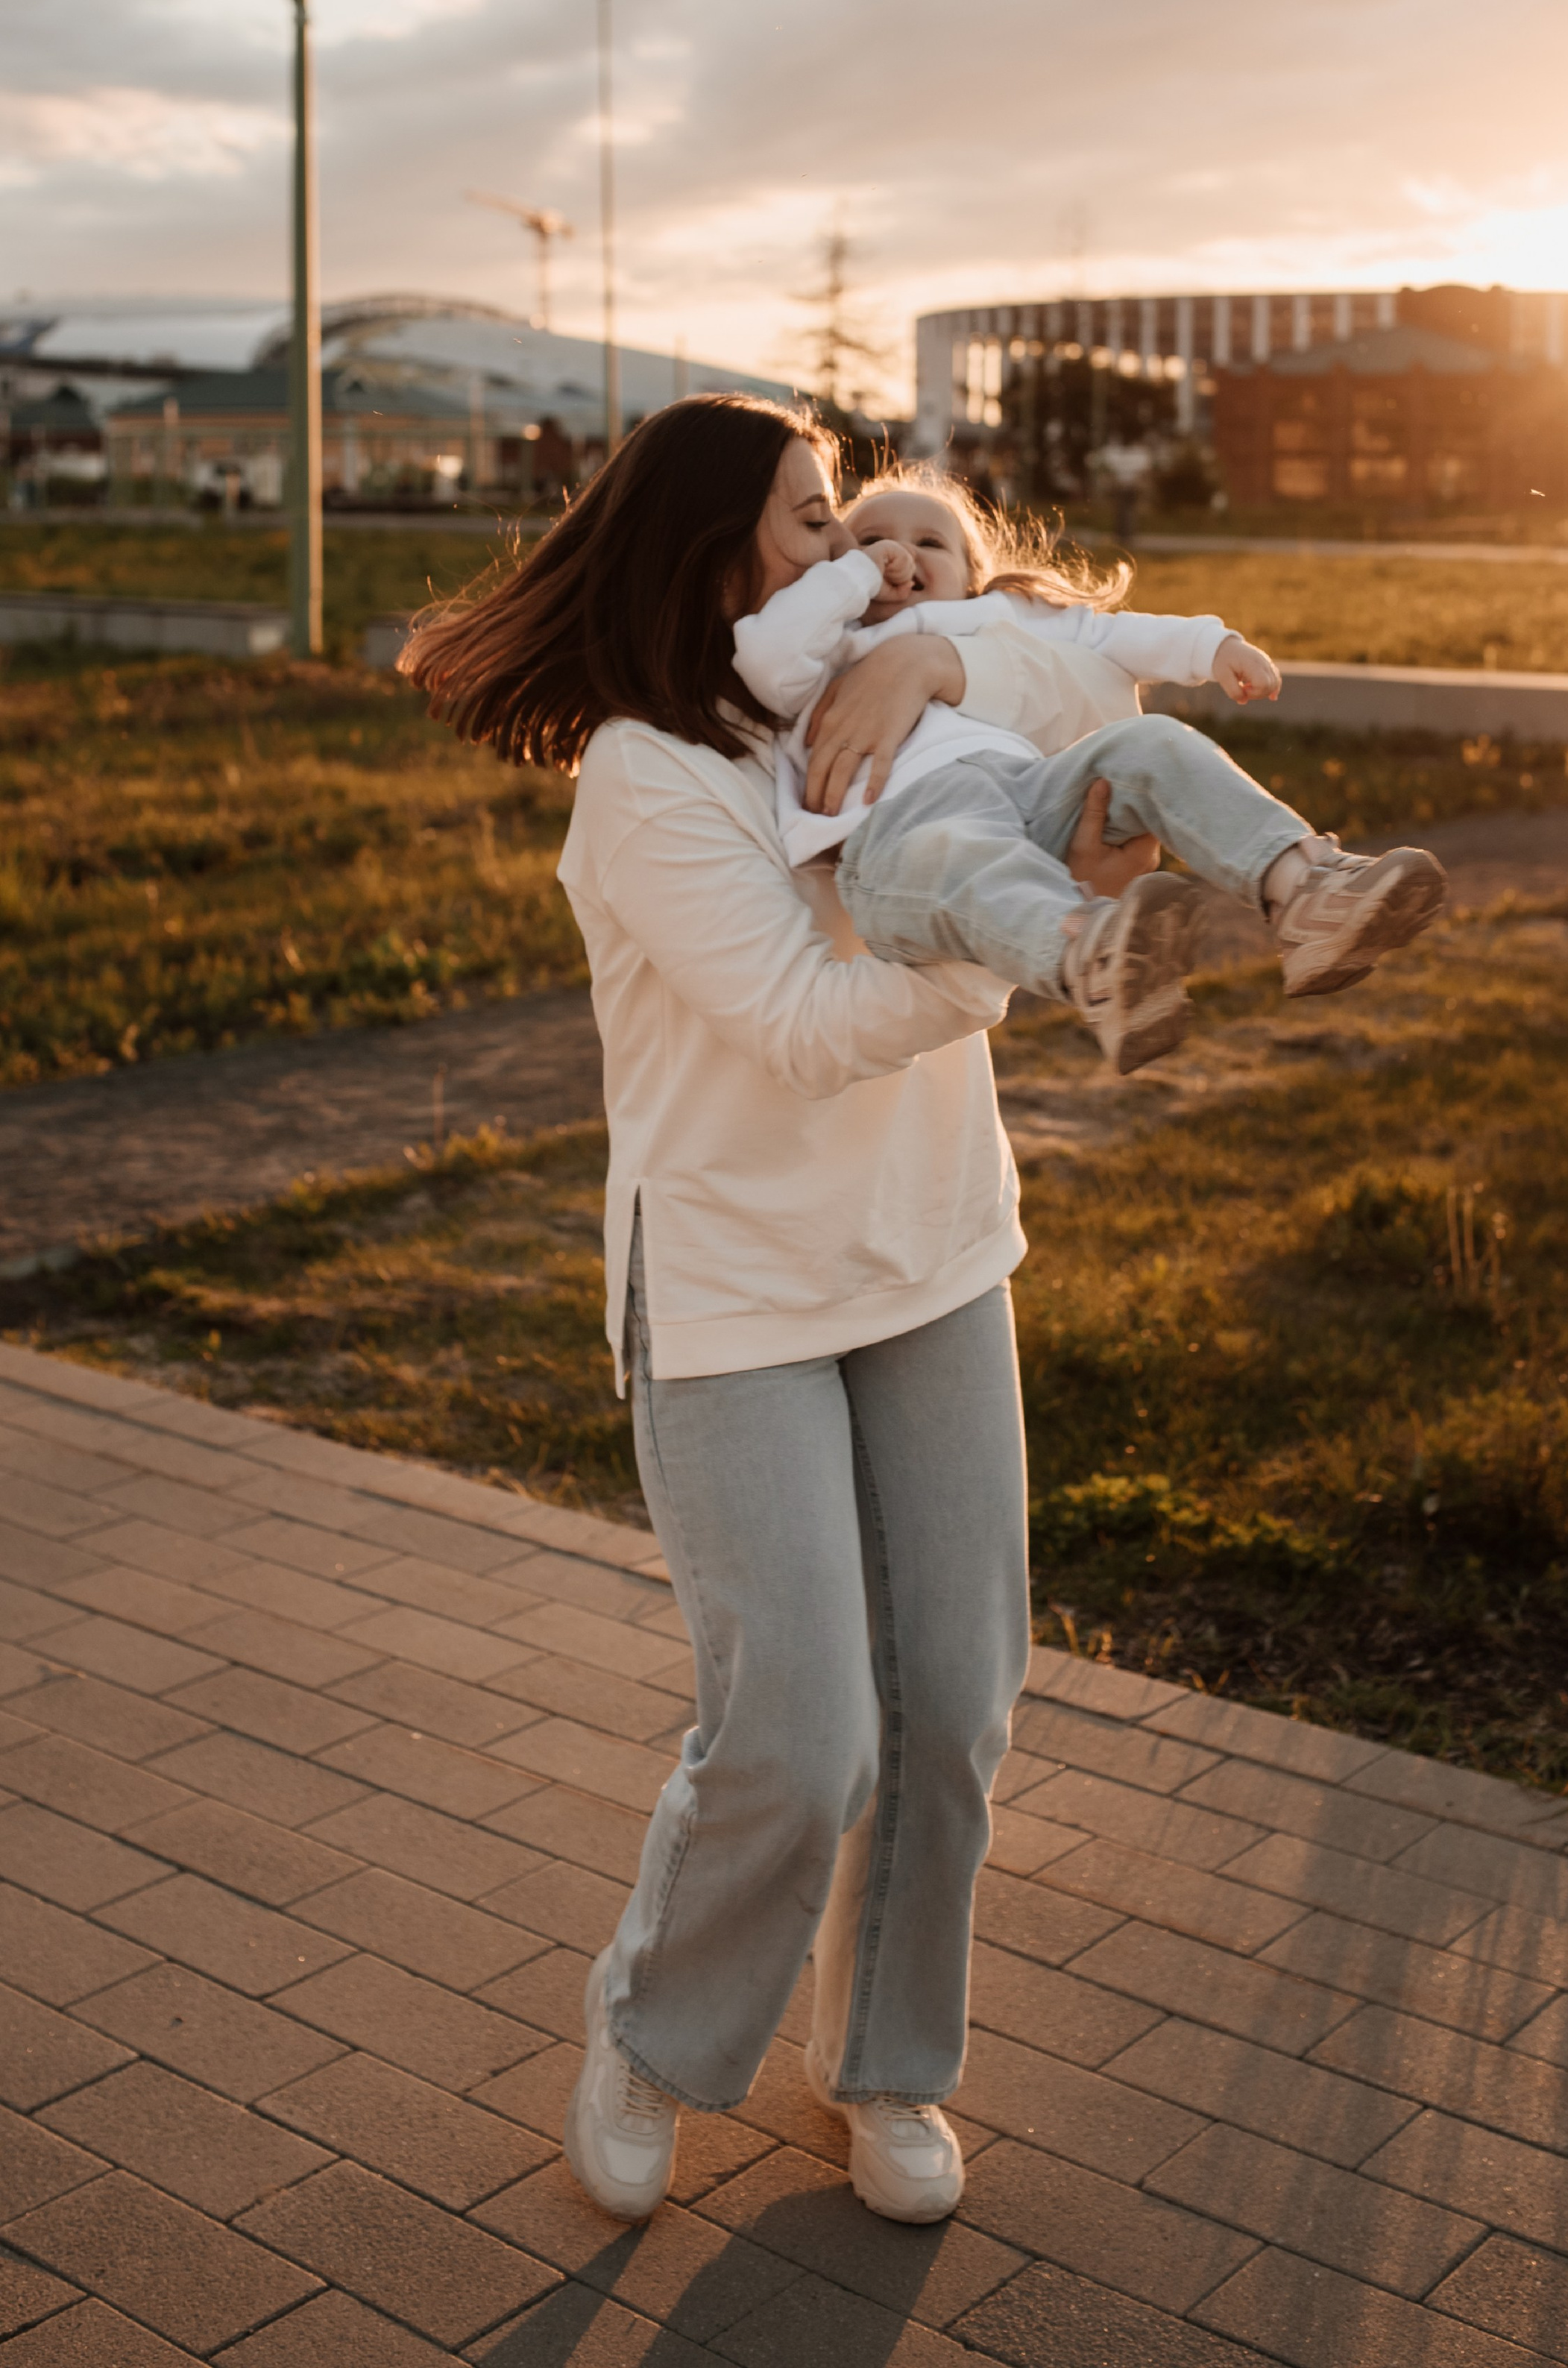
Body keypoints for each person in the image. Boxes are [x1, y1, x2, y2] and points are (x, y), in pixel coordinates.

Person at [400, 394, 1155, 2229]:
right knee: (802, 1728)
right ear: (714, 555)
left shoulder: (892, 679)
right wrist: (1012, 944)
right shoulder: (649, 778)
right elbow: (812, 1031)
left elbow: (1093, 685)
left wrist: (949, 649)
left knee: (956, 1703)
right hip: (732, 1282)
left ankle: (884, 2067)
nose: (855, 556)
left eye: (853, 525)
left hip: (931, 1253)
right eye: (815, 524)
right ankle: (654, 2035)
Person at [732, 464, 1448, 1073]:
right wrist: (853, 576)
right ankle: (1096, 959)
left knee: (1151, 744)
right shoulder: (825, 647)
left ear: (972, 579)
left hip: (1028, 795)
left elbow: (1108, 635)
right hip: (898, 841)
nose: (898, 554)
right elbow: (763, 656)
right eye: (872, 539)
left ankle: (1304, 888)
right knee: (962, 856)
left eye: (928, 543)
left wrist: (1211, 647)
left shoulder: (992, 619)